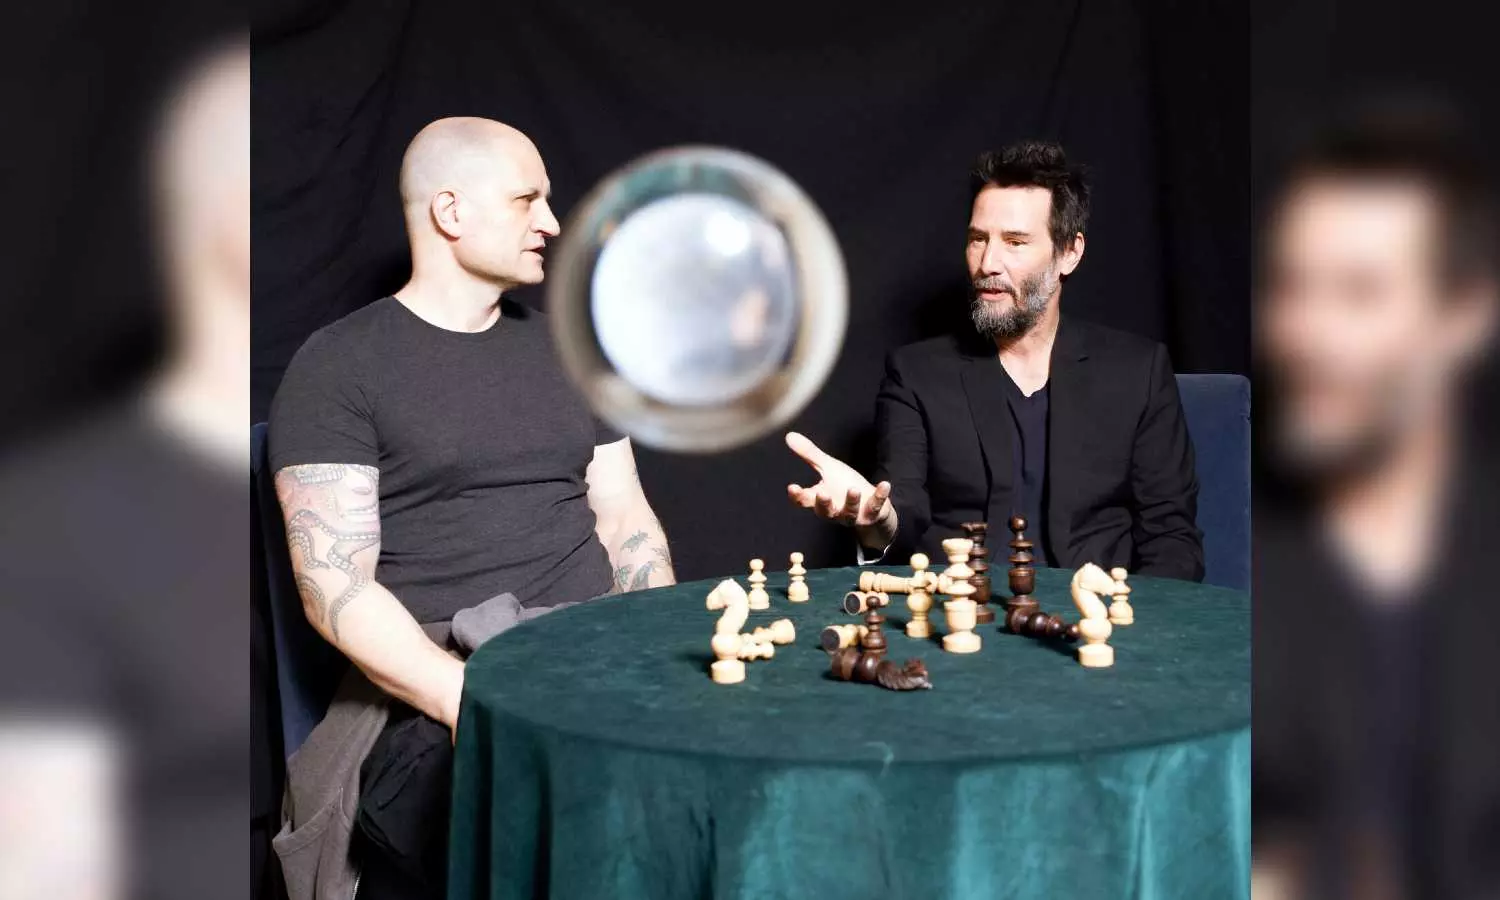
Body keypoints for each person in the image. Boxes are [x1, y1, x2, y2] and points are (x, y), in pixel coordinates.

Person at [268, 117, 674, 898]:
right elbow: (334, 586)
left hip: (590, 651)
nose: (551, 222)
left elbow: (625, 517)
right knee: (536, 812)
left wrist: (651, 654)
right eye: (527, 200)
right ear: (450, 212)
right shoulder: (338, 366)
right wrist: (476, 703)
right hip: (439, 682)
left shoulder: (577, 351)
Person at [1252, 101, 1500, 900]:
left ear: (1466, 315)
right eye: (1290, 286)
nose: (1302, 331)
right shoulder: (1234, 564)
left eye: (1358, 293)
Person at [786, 141, 1203, 580]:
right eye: (978, 239)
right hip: (962, 610)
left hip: (1096, 612)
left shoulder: (1138, 371)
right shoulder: (915, 373)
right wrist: (877, 520)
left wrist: (1140, 619)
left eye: (1015, 242)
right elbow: (902, 509)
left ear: (1069, 253)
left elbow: (1171, 538)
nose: (988, 263)